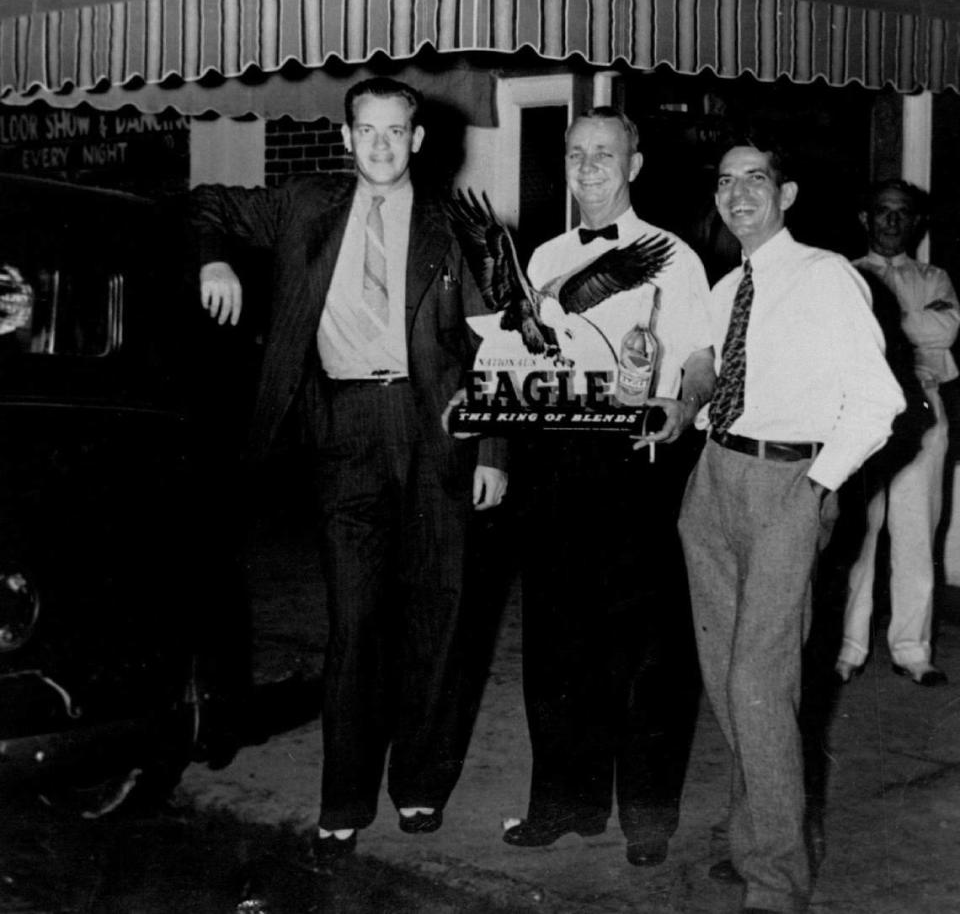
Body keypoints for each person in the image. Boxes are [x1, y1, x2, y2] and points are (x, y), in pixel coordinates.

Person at [190, 77, 507, 864]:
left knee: (437, 612)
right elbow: (201, 202)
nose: (381, 145)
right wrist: (214, 263)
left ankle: (421, 785)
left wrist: (495, 452)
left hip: (435, 427)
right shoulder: (305, 204)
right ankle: (343, 796)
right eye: (367, 130)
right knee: (354, 621)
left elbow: (498, 347)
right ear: (345, 137)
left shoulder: (457, 227)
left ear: (419, 140)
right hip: (340, 428)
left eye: (396, 132)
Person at [678, 135, 905, 914]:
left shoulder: (826, 277)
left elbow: (879, 404)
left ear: (788, 193)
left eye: (756, 180)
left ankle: (776, 884)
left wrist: (815, 487)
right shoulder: (723, 285)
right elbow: (720, 380)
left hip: (787, 483)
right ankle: (759, 838)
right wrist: (681, 408)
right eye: (725, 182)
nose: (738, 194)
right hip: (713, 479)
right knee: (727, 680)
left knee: (759, 685)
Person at [503, 107, 715, 867]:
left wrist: (683, 407)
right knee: (558, 646)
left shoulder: (675, 257)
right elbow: (521, 359)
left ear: (635, 165)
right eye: (576, 154)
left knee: (646, 654)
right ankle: (564, 804)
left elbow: (699, 358)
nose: (589, 167)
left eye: (605, 154)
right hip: (558, 465)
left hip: (638, 464)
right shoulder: (543, 257)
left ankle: (648, 819)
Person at [835, 180, 959, 688]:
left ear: (915, 223)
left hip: (922, 409)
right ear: (866, 219)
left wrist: (880, 323)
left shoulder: (934, 276)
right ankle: (847, 647)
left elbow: (947, 330)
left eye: (902, 214)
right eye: (882, 213)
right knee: (857, 535)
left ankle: (913, 649)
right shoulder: (843, 275)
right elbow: (841, 336)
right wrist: (914, 323)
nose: (891, 222)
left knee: (915, 531)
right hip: (860, 412)